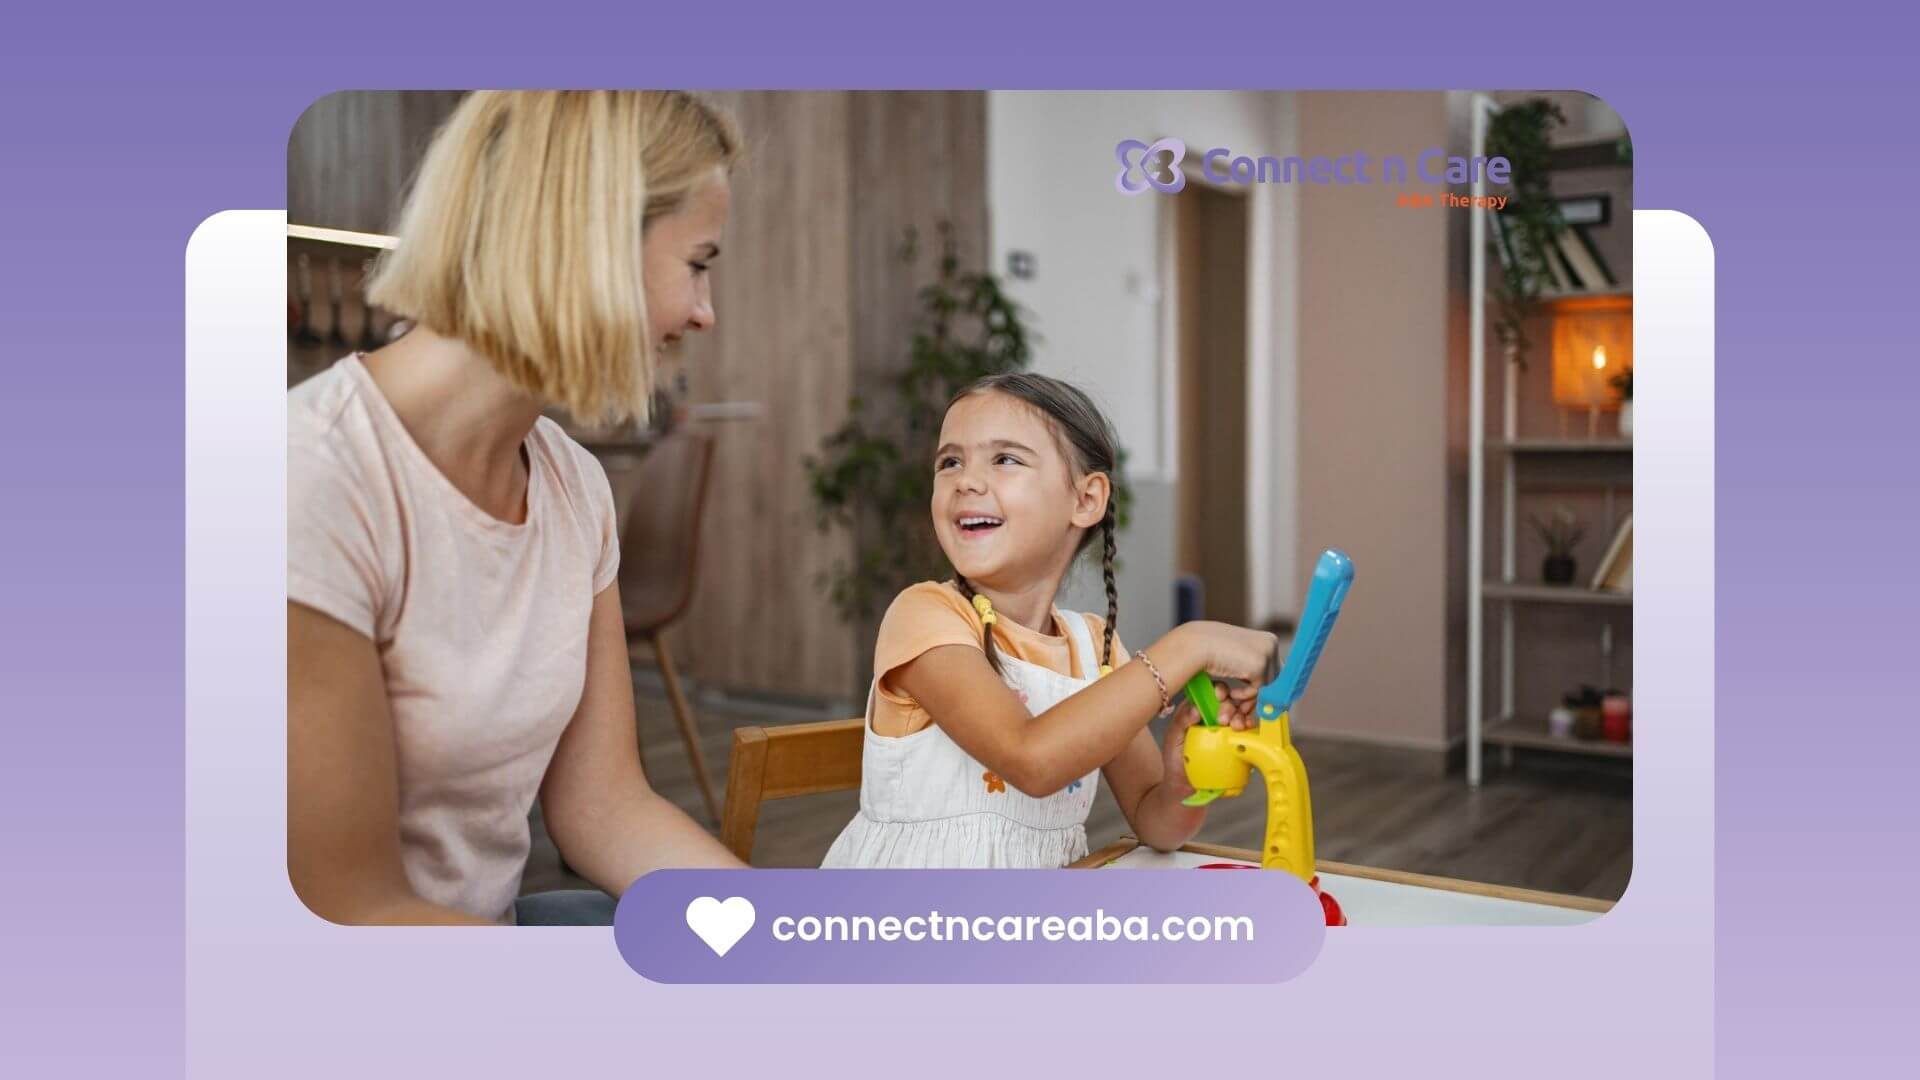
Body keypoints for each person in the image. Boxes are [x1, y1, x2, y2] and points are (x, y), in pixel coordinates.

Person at [288, 91, 744, 925]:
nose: (704, 311)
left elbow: (605, 807)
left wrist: (783, 936)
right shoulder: (310, 479)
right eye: (698, 262)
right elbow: (349, 910)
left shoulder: (573, 487)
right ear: (592, 248)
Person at [821, 373, 1278, 869]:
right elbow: (1032, 760)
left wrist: (1179, 782)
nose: (966, 480)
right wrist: (1191, 644)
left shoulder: (1094, 648)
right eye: (949, 461)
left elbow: (1154, 823)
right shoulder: (925, 615)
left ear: (1085, 500)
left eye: (1005, 460)